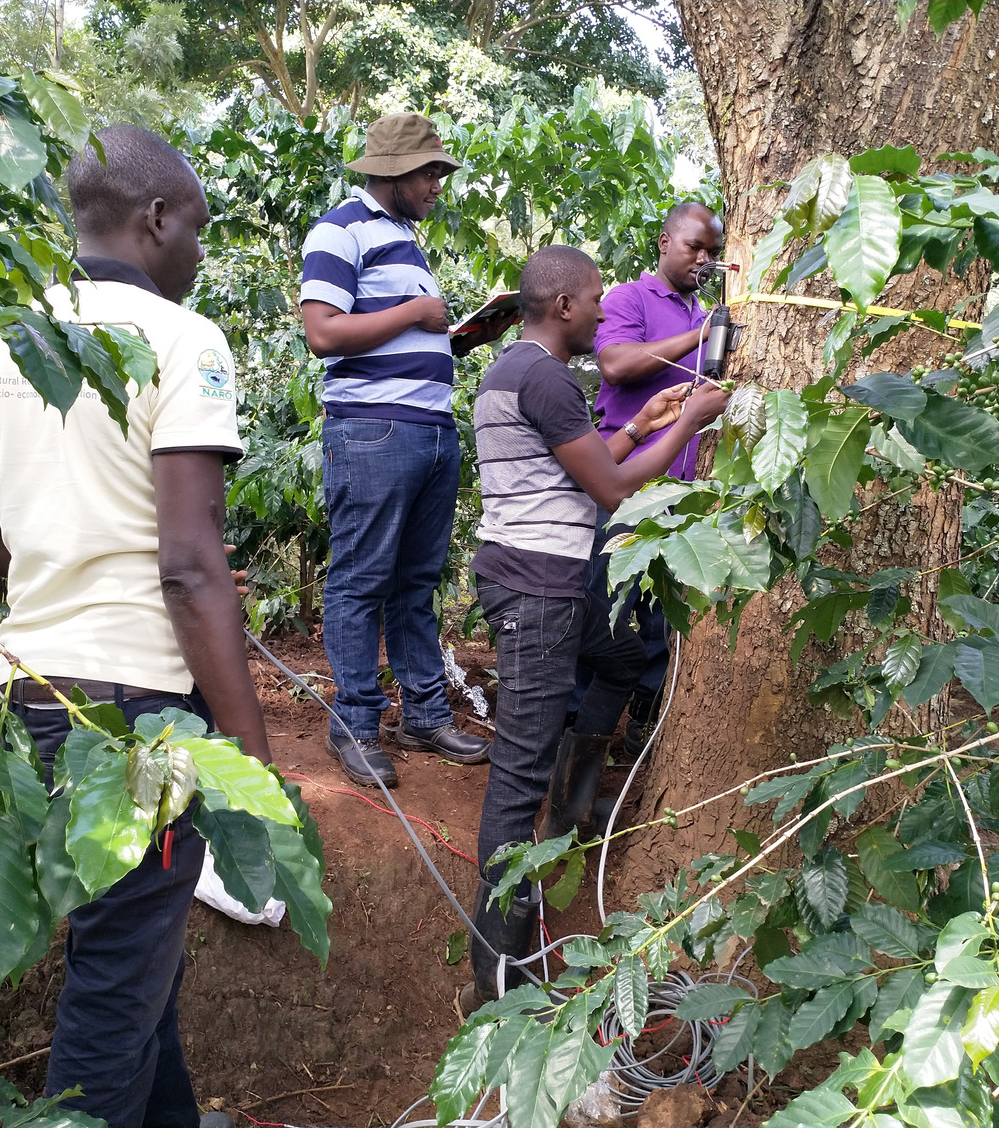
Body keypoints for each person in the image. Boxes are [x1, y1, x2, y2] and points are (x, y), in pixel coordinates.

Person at [0, 124, 268, 1128]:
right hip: (137, 720)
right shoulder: (181, 339)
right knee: (112, 990)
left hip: (30, 702)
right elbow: (188, 565)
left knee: (126, 946)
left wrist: (77, 547)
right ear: (157, 217)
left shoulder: (0, 342)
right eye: (200, 230)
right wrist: (253, 766)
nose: (200, 253)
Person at [461, 245, 728, 1014]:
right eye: (595, 300)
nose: (603, 313)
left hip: (549, 579)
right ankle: (497, 974)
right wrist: (691, 424)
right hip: (536, 590)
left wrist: (644, 420)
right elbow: (611, 489)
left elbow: (576, 472)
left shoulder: (520, 372)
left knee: (619, 656)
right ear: (564, 306)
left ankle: (573, 809)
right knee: (516, 770)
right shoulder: (541, 375)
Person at [300, 112, 503, 788]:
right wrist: (418, 315)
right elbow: (324, 333)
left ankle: (422, 713)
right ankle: (354, 725)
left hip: (428, 432)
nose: (438, 184)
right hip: (373, 431)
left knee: (416, 585)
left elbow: (391, 335)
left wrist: (455, 337)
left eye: (439, 172)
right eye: (429, 172)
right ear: (391, 173)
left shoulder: (404, 242)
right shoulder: (341, 229)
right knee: (360, 581)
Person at [580, 202, 727, 752]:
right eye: (694, 247)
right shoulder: (628, 299)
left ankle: (642, 724)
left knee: (666, 613)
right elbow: (616, 364)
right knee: (602, 599)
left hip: (685, 491)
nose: (703, 259)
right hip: (625, 479)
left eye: (713, 252)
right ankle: (576, 724)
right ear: (664, 242)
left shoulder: (707, 313)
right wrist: (700, 337)